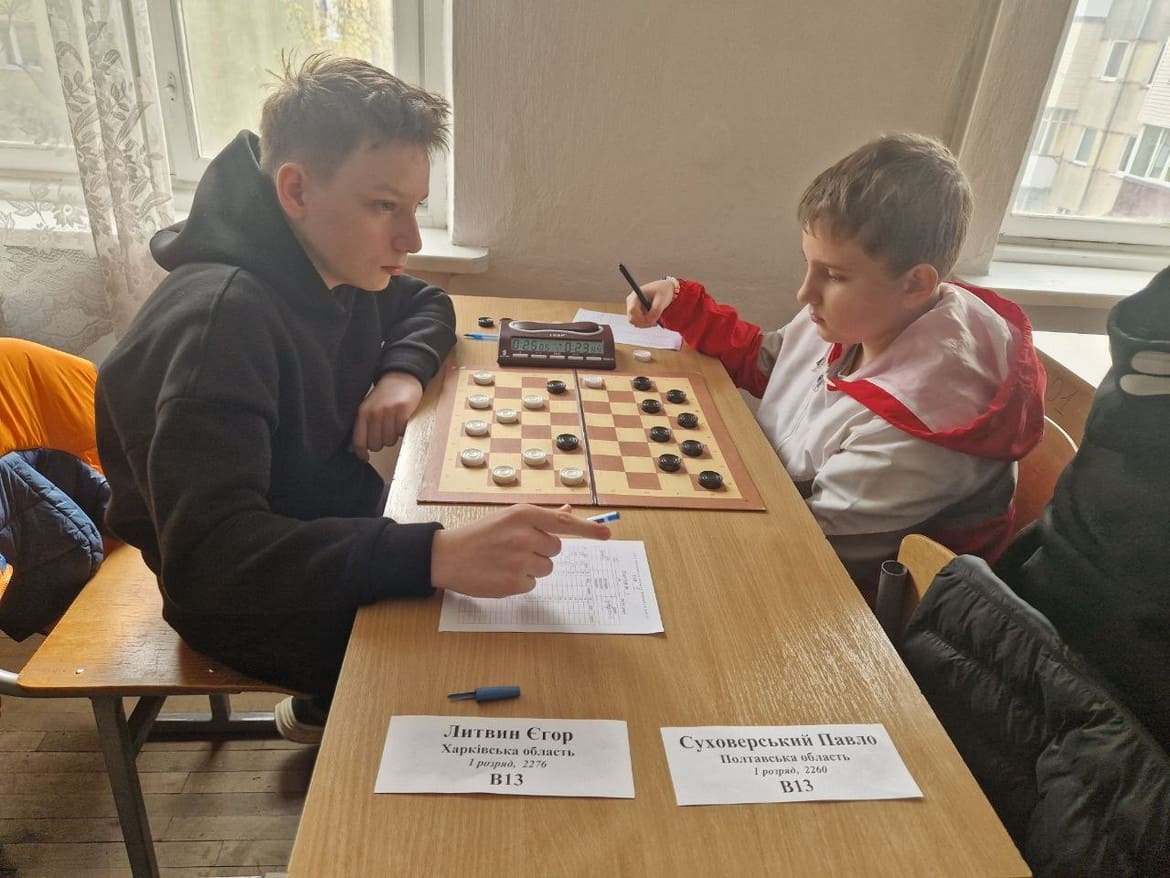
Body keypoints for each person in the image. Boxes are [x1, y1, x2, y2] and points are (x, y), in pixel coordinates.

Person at [95, 54, 609, 745]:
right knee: (500, 670)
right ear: (296, 189)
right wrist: (431, 557)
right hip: (244, 598)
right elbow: (213, 565)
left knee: (515, 619)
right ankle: (340, 720)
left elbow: (427, 302)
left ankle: (329, 708)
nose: (410, 239)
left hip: (328, 521)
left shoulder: (325, 260)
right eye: (383, 206)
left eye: (415, 207)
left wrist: (401, 374)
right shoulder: (223, 326)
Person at [626, 133, 1044, 596]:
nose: (804, 293)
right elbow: (772, 365)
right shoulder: (868, 318)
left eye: (834, 275)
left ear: (915, 284)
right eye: (809, 265)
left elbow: (800, 553)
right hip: (776, 513)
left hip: (845, 600)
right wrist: (686, 307)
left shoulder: (919, 432)